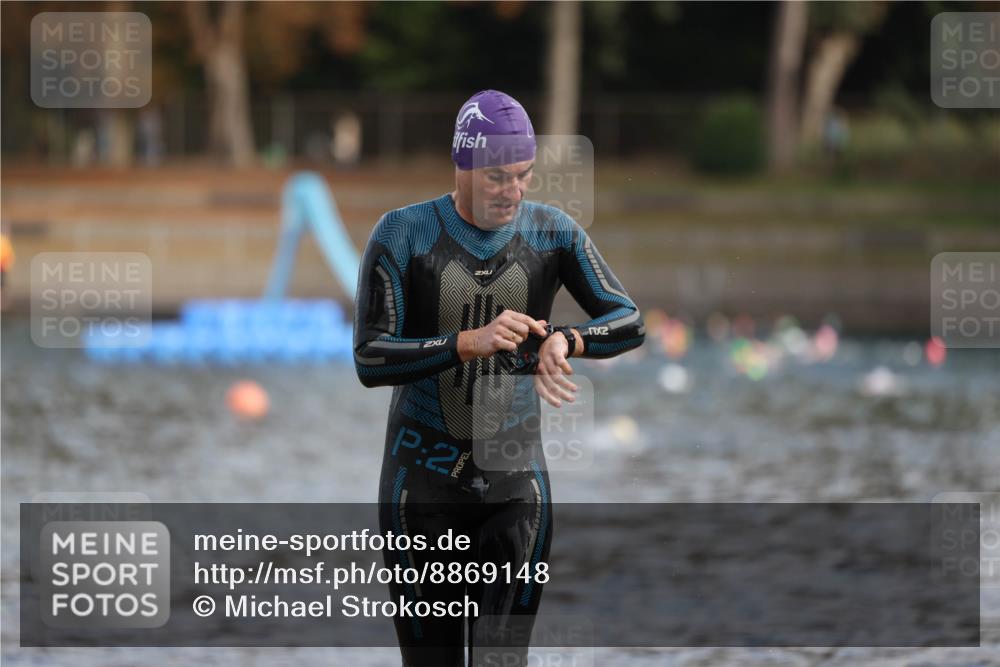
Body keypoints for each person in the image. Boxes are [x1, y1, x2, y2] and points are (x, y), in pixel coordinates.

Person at [353, 89, 645, 667]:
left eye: (523, 175)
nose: (513, 191)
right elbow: (369, 357)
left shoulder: (552, 232)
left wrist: (567, 339)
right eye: (496, 177)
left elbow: (629, 320)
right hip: (422, 488)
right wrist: (468, 342)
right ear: (461, 166)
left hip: (516, 490)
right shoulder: (403, 233)